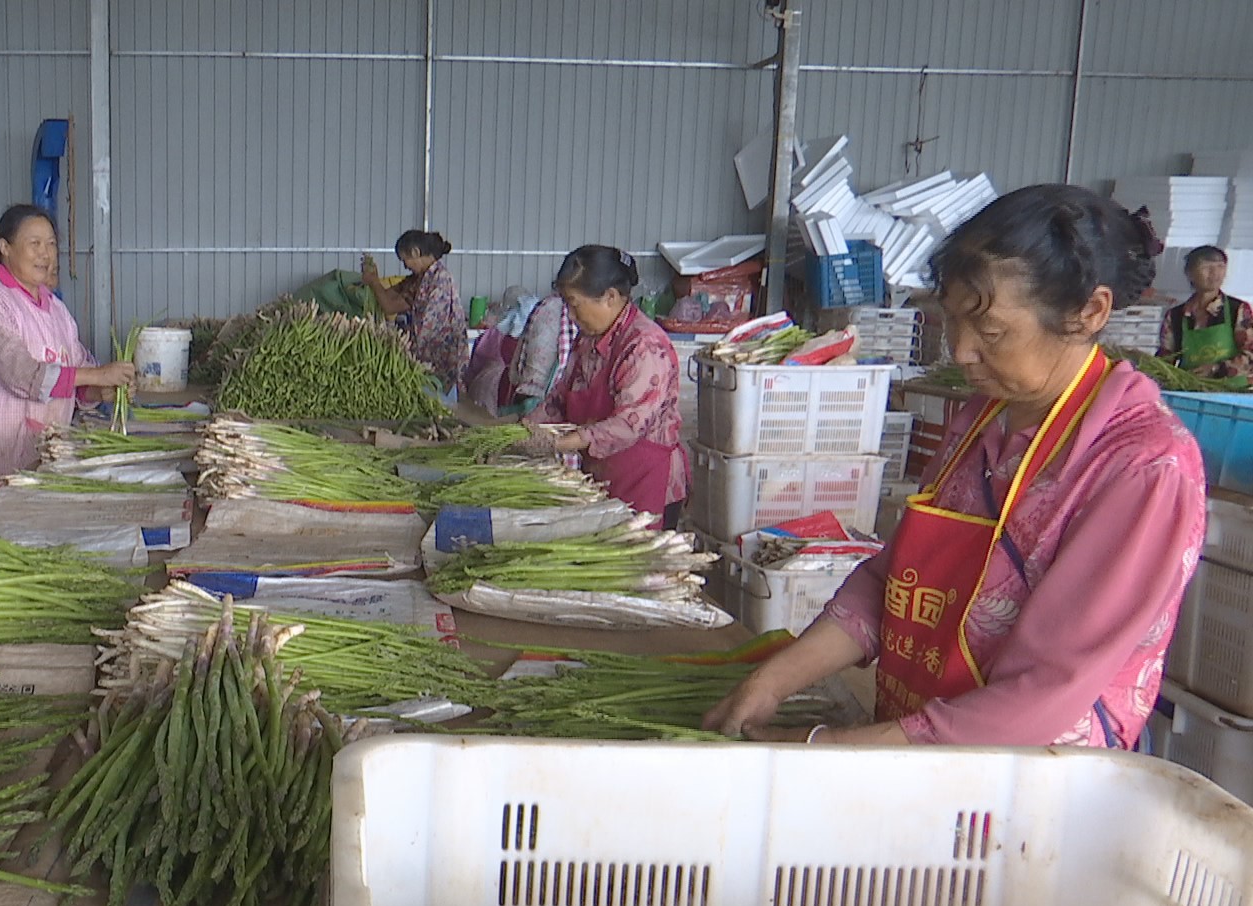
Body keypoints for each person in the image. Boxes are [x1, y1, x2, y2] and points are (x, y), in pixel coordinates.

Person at [705, 184, 1205, 749]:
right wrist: (773, 680)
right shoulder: (980, 419)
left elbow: (1043, 694)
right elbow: (893, 580)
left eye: (990, 331)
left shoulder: (1142, 467)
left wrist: (820, 748)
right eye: (954, 322)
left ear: (1090, 312)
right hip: (923, 746)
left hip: (1024, 785)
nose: (962, 352)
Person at [0, 204, 133, 515]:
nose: (46, 253)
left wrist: (106, 389)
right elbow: (20, 373)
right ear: (5, 248)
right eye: (34, 243)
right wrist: (97, 376)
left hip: (45, 450)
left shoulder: (56, 309)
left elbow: (79, 382)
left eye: (51, 244)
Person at [520, 246, 689, 524]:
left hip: (646, 480)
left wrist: (559, 444)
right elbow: (560, 399)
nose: (571, 317)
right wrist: (525, 429)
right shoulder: (588, 341)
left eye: (575, 304)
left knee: (636, 563)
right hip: (605, 477)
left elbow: (627, 425)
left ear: (610, 297)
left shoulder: (644, 345)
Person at [361, 230, 467, 388]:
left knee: (437, 395)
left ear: (416, 252)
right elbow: (388, 294)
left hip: (440, 357)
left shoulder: (434, 280)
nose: (405, 266)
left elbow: (389, 307)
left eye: (405, 260)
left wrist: (374, 283)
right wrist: (374, 279)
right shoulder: (418, 278)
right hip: (427, 354)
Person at [1158, 245, 1253, 378]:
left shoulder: (1238, 309)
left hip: (1231, 394)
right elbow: (1166, 357)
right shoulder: (1176, 316)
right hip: (1191, 389)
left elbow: (1250, 355)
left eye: (1220, 266)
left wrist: (1216, 368)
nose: (1215, 273)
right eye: (1206, 267)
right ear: (1190, 273)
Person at [503, 292, 580, 416]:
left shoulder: (545, 305)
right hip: (541, 396)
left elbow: (516, 367)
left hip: (529, 389)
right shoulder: (560, 309)